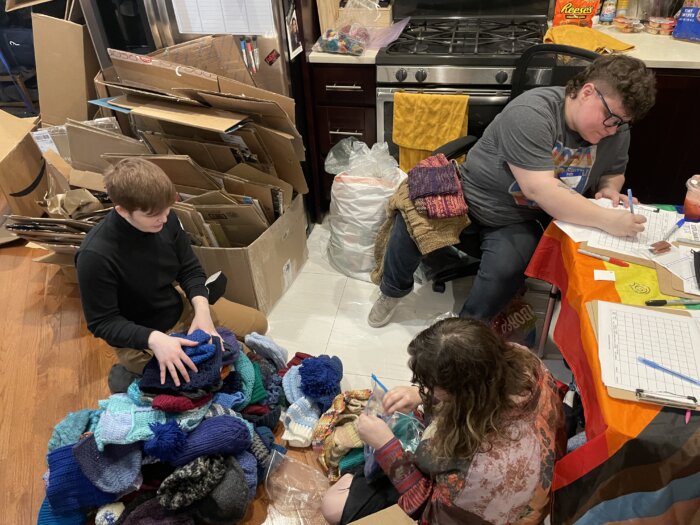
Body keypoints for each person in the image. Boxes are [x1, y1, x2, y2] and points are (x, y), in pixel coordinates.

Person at [368, 54, 656, 328]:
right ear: (588, 92)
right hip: (467, 195)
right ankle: (392, 291)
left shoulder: (617, 130)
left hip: (518, 217)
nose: (613, 130)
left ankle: (467, 331)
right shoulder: (533, 113)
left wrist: (608, 191)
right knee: (411, 219)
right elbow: (540, 188)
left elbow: (612, 172)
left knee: (506, 271)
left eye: (622, 123)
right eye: (611, 118)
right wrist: (608, 219)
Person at [321, 317, 565, 525]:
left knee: (332, 505)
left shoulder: (482, 470)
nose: (427, 390)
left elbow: (428, 514)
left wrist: (387, 448)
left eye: (430, 387)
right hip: (502, 476)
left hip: (469, 507)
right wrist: (418, 395)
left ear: (461, 396)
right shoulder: (523, 362)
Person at [75, 157, 268, 390]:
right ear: (122, 210)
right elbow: (103, 323)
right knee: (201, 380)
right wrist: (155, 340)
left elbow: (190, 269)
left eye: (167, 209)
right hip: (140, 334)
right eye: (153, 215)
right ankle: (128, 375)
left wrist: (202, 310)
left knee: (258, 324)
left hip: (176, 306)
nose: (164, 219)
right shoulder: (95, 256)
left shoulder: (166, 219)